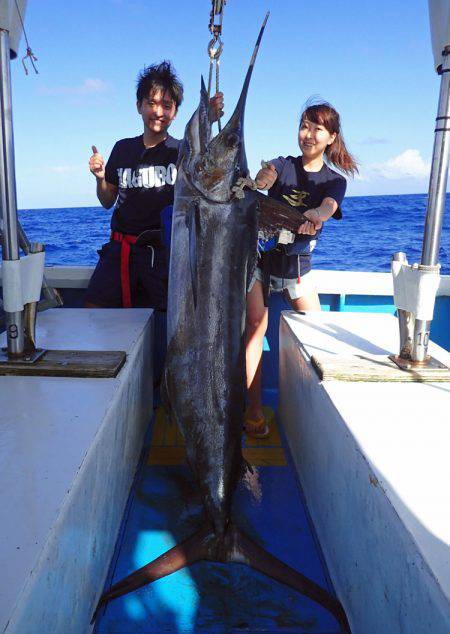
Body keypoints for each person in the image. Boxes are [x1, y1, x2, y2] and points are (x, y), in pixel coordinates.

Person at [245, 101, 358, 438]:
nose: (308, 134)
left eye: (317, 128)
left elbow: (328, 205)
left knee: (317, 333)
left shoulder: (333, 181)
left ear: (331, 136)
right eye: (304, 126)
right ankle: (253, 411)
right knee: (254, 327)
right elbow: (266, 177)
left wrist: (317, 217)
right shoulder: (283, 164)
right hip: (259, 261)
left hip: (297, 267)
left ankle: (322, 413)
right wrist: (260, 178)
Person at [85, 60, 223, 310]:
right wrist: (100, 178)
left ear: (175, 112)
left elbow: (202, 155)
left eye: (166, 105)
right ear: (139, 106)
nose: (158, 112)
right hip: (119, 253)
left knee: (163, 328)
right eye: (151, 103)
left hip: (163, 257)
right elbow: (107, 201)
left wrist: (208, 119)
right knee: (92, 312)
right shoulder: (123, 148)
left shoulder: (182, 151)